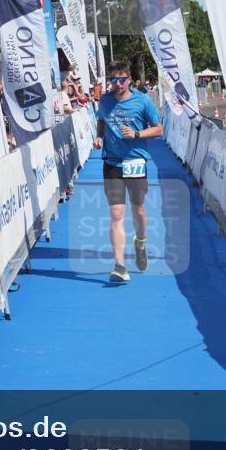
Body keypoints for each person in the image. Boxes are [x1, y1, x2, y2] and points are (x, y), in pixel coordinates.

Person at [93, 60, 163, 283]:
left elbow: (159, 129)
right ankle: (119, 266)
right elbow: (101, 121)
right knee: (116, 214)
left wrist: (136, 135)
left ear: (129, 80)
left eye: (121, 79)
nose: (117, 83)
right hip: (112, 163)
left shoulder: (142, 102)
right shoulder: (104, 101)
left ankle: (140, 242)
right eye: (113, 79)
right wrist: (100, 137)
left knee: (138, 210)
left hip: (135, 162)